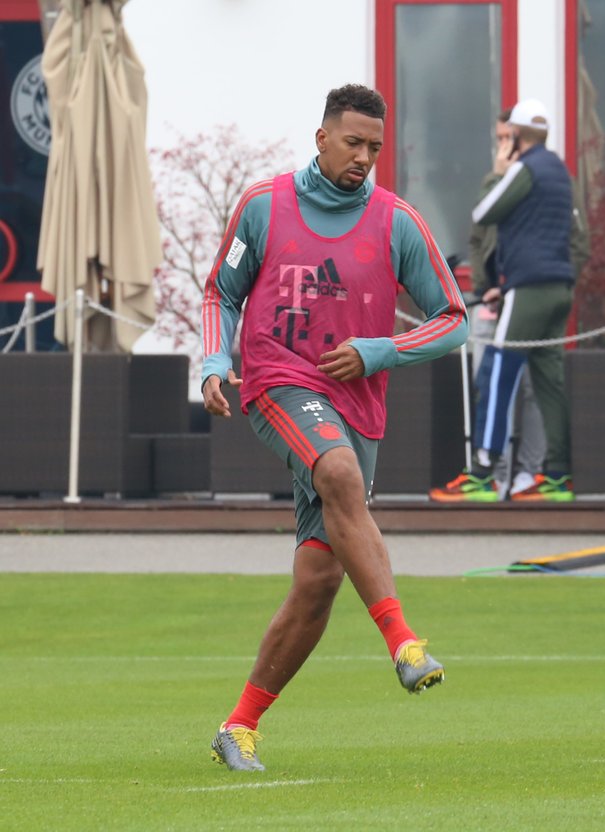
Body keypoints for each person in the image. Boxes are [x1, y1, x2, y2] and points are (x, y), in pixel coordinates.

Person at [201, 83, 469, 771]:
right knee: (338, 471)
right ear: (321, 137)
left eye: (375, 148)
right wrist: (212, 359)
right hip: (277, 381)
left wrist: (382, 351)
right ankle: (405, 643)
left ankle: (238, 727)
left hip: (358, 405)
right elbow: (221, 292)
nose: (364, 158)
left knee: (318, 581)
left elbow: (452, 318)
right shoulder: (264, 206)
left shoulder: (397, 222)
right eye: (353, 143)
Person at [430, 98, 582, 504]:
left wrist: (499, 172)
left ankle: (482, 475)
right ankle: (558, 478)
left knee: (498, 370)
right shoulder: (561, 174)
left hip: (528, 289)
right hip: (558, 288)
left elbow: (484, 211)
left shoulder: (524, 168)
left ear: (515, 136)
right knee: (550, 381)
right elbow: (555, 232)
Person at [467, 108, 547, 500]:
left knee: (531, 389)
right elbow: (479, 238)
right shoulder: (494, 181)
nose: (504, 146)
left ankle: (529, 474)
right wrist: (484, 288)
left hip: (530, 299)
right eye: (499, 139)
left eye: (509, 138)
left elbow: (568, 244)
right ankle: (493, 474)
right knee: (489, 382)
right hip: (492, 304)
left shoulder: (542, 179)